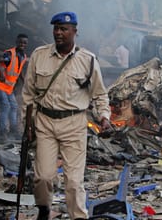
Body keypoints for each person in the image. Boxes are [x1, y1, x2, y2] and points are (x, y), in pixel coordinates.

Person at [22, 12, 111, 219]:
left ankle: (78, 216)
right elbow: (28, 94)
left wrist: (104, 116)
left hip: (74, 123)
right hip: (45, 123)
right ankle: (44, 209)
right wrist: (27, 125)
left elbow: (99, 94)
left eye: (64, 29)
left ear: (75, 32)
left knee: (73, 181)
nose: (58, 33)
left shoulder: (88, 60)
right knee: (43, 177)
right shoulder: (39, 55)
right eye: (56, 28)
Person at [0, 33, 28, 144]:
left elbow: (18, 71)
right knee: (6, 105)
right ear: (16, 42)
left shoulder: (23, 57)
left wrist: (24, 81)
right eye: (20, 42)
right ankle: (2, 134)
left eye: (24, 43)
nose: (22, 44)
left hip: (7, 87)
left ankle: (13, 132)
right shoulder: (10, 54)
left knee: (14, 106)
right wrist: (1, 73)